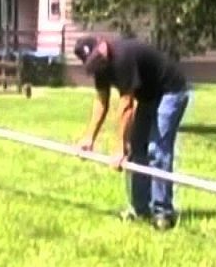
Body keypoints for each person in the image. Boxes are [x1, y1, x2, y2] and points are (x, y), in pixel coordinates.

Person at [73, 35, 191, 230]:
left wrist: (119, 147)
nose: (97, 63)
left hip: (171, 91)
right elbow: (102, 102)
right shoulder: (99, 66)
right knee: (138, 149)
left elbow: (126, 105)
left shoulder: (122, 57)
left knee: (157, 150)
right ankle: (141, 209)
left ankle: (163, 212)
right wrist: (89, 137)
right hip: (149, 95)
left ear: (102, 46)